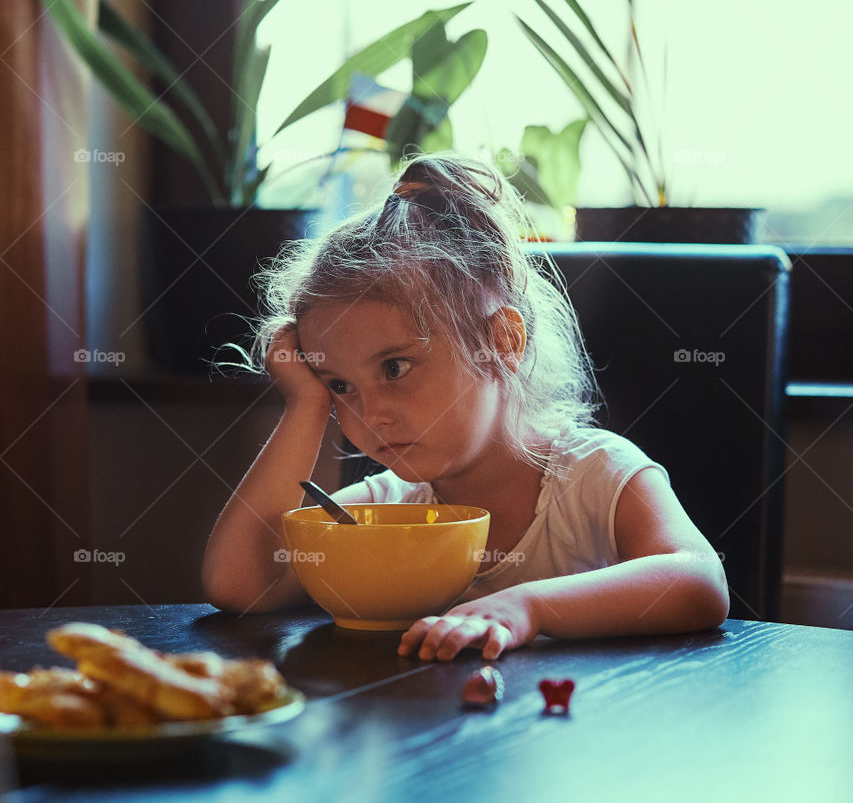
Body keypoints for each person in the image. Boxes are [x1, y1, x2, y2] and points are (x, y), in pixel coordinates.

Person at [201, 151, 729, 661]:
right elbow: (241, 584)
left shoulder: (596, 475)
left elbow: (698, 579)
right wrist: (305, 404)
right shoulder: (387, 512)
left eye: (395, 368)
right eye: (340, 385)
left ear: (502, 342)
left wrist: (527, 607)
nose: (370, 414)